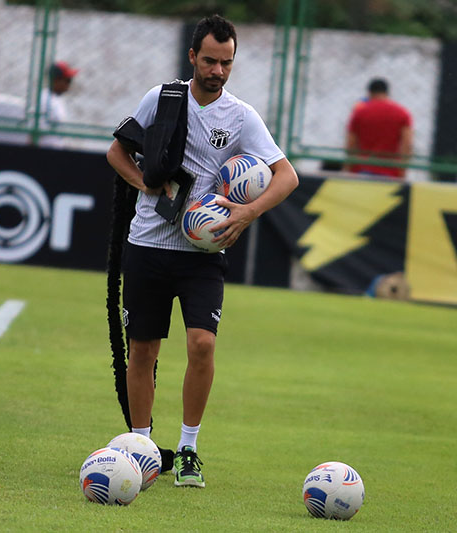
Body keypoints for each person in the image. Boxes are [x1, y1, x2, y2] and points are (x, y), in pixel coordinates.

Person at [106, 14, 298, 488]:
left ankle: (189, 448)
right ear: (193, 56)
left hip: (203, 253)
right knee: (143, 351)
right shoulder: (163, 98)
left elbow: (287, 176)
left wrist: (246, 213)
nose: (218, 70)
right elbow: (116, 152)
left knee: (203, 344)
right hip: (148, 244)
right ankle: (142, 448)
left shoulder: (241, 116)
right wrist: (148, 187)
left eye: (227, 63)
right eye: (210, 61)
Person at [343, 78, 413, 179]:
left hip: (362, 169)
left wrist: (349, 170)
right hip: (390, 171)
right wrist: (402, 172)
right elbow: (407, 145)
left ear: (369, 93)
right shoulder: (402, 113)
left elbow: (351, 145)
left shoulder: (359, 113)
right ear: (387, 93)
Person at [37, 61, 78, 149]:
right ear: (56, 80)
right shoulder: (44, 99)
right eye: (67, 80)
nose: (69, 84)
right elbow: (37, 130)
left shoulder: (57, 99)